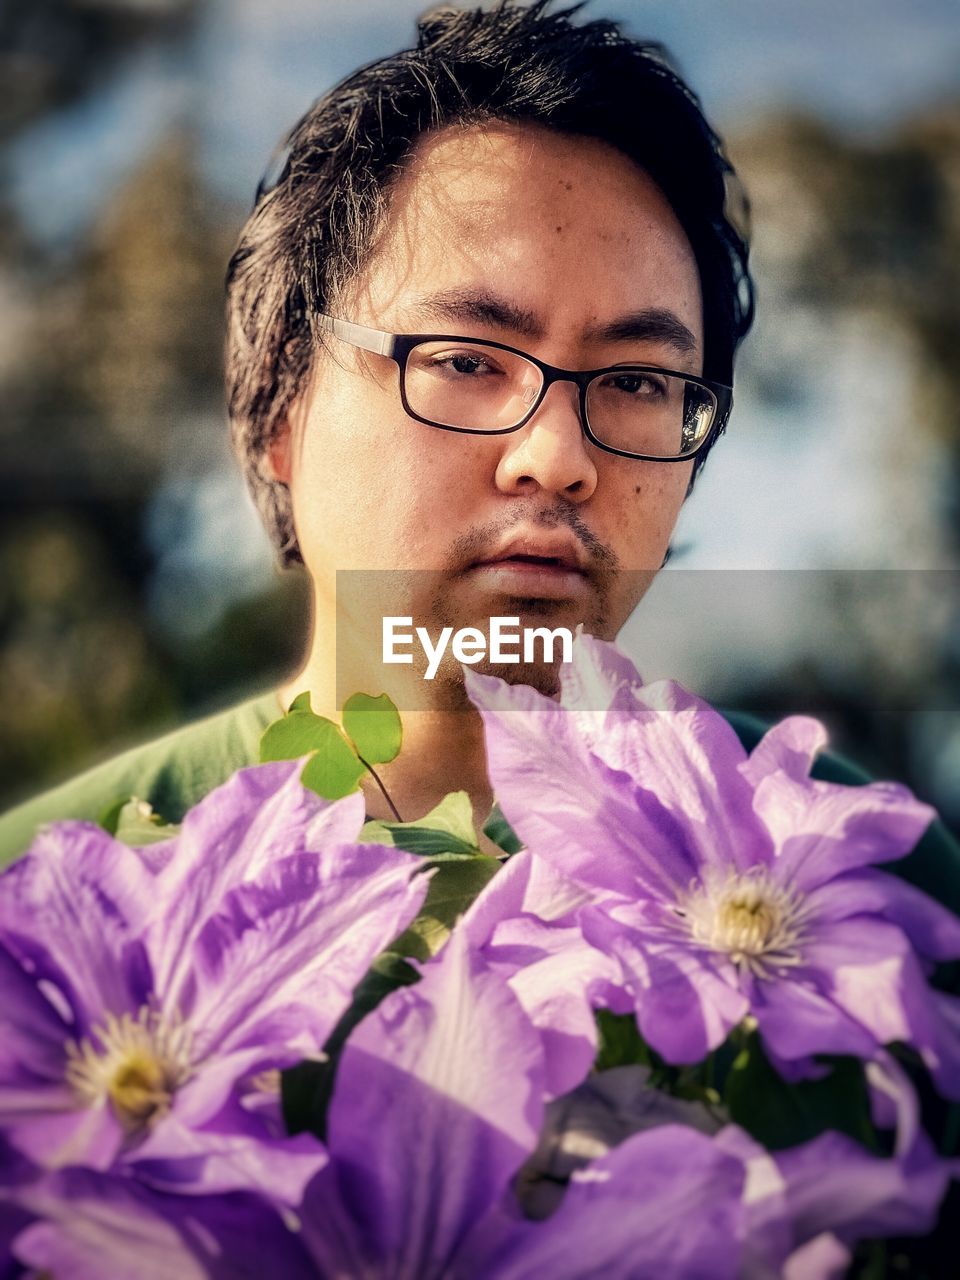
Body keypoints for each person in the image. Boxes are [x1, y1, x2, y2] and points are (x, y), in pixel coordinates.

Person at [0, 1, 955, 902]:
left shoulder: (835, 865)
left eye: (636, 383)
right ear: (283, 409)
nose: (557, 457)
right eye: (464, 360)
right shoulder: (50, 896)